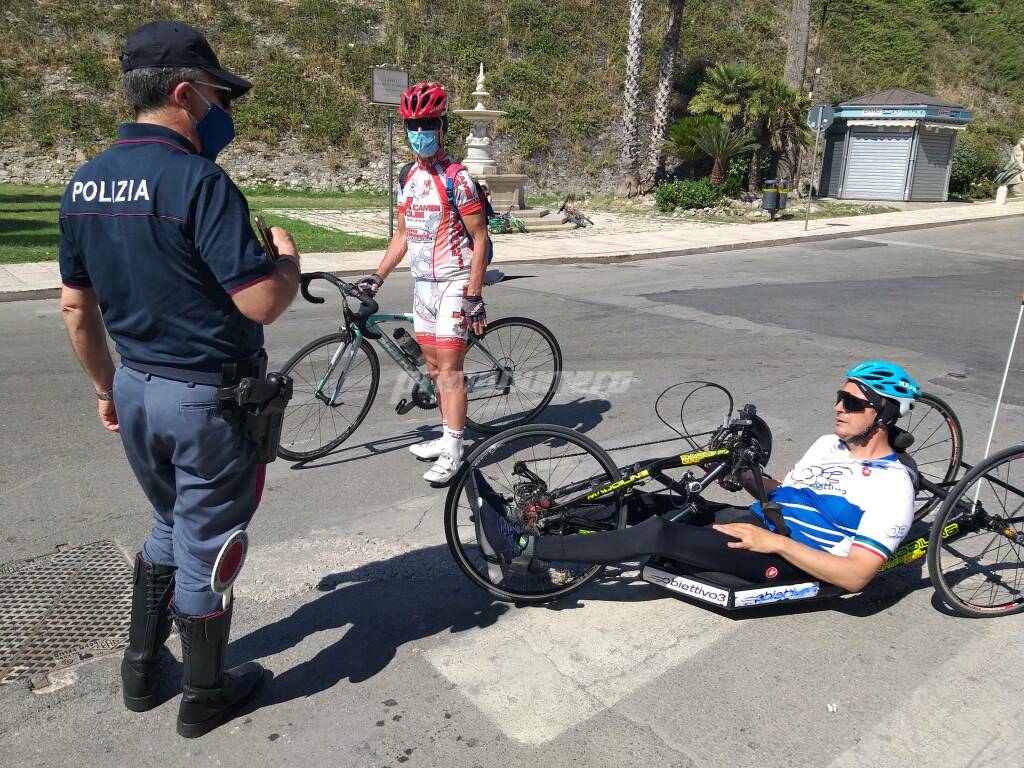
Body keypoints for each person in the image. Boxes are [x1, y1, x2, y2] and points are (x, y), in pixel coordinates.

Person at [58, 21, 301, 737]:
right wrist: (286, 260)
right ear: (185, 92)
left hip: (135, 389)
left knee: (170, 522)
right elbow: (260, 300)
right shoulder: (199, 181)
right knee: (211, 541)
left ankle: (142, 667)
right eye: (216, 96)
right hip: (205, 398)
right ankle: (204, 691)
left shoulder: (84, 182)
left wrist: (105, 388)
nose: (220, 110)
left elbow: (76, 307)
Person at [476, 361, 920, 594]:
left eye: (853, 403)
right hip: (757, 522)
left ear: (882, 416)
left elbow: (856, 576)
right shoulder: (828, 446)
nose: (839, 407)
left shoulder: (892, 485)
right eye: (840, 397)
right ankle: (520, 519)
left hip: (784, 559)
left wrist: (778, 544)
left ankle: (522, 548)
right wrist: (740, 469)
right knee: (647, 502)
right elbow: (784, 493)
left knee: (660, 534)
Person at [355, 81, 491, 484]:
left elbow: (480, 238)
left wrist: (474, 295)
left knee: (449, 369)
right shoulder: (407, 177)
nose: (420, 131)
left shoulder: (458, 179)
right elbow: (401, 236)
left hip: (453, 282)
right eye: (413, 123)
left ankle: (454, 449)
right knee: (432, 366)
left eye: (428, 123)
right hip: (423, 286)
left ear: (442, 126)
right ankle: (447, 435)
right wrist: (377, 278)